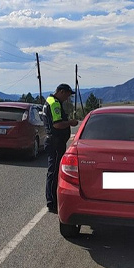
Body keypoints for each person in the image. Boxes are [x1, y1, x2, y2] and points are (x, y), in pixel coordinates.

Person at [44, 83, 79, 213]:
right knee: (54, 173)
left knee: (53, 171)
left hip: (54, 140)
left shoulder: (50, 100)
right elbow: (57, 125)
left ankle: (52, 200)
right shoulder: (55, 103)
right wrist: (70, 122)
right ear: (62, 92)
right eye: (68, 95)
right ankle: (52, 203)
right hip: (55, 141)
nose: (68, 98)